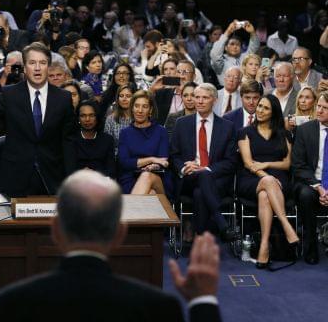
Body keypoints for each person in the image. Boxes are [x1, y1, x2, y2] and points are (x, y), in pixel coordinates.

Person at [0, 169, 222, 322]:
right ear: (120, 233)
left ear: (55, 230)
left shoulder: (5, 307)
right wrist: (203, 301)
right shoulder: (158, 308)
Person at [0, 43, 75, 197]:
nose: (37, 68)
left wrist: (72, 178)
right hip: (16, 178)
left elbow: (69, 142)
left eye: (42, 63)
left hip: (53, 178)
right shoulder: (9, 94)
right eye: (32, 63)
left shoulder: (63, 98)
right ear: (25, 67)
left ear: (48, 67)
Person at [170, 83, 238, 241]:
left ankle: (199, 241)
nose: (199, 101)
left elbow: (231, 161)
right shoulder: (182, 123)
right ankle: (222, 223)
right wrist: (183, 168)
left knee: (200, 192)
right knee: (200, 183)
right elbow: (173, 155)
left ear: (214, 100)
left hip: (216, 179)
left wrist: (207, 169)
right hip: (188, 178)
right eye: (197, 97)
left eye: (205, 98)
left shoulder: (227, 127)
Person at [237, 94, 299, 268]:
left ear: (274, 112)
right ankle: (287, 226)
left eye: (265, 108)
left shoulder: (284, 134)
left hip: (279, 178)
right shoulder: (244, 132)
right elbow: (249, 163)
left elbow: (287, 164)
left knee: (265, 195)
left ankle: (264, 246)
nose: (260, 110)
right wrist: (265, 176)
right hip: (251, 178)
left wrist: (267, 164)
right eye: (259, 106)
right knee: (268, 183)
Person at [292, 92, 328, 264]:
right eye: (319, 106)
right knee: (306, 196)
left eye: (325, 108)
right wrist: (319, 187)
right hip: (311, 182)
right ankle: (311, 247)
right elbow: (298, 165)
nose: (319, 110)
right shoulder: (305, 130)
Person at [118, 90, 172, 196]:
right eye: (136, 106)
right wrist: (151, 159)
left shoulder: (161, 131)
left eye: (145, 107)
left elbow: (163, 160)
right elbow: (124, 162)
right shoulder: (125, 133)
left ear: (150, 110)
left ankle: (128, 211)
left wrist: (154, 165)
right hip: (130, 179)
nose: (140, 110)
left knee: (146, 175)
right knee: (151, 194)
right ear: (132, 109)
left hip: (157, 178)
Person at [71, 100, 115, 177]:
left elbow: (111, 169)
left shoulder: (107, 140)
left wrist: (94, 174)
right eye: (83, 116)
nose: (87, 119)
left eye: (91, 115)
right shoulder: (71, 140)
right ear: (78, 118)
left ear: (97, 117)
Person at [210, 20, 259, 86]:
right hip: (227, 92)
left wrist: (252, 32)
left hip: (246, 91)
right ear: (225, 48)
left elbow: (254, 48)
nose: (235, 47)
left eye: (238, 45)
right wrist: (228, 31)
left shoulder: (244, 57)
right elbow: (215, 55)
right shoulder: (221, 61)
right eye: (232, 44)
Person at [151, 59, 197, 124]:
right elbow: (146, 107)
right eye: (179, 71)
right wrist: (151, 90)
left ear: (194, 76)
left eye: (185, 71)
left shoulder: (199, 95)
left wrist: (184, 91)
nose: (181, 75)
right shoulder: (162, 93)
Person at [104, 84, 133, 155]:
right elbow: (107, 146)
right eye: (121, 96)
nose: (124, 99)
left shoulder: (139, 118)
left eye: (128, 96)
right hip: (116, 158)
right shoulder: (110, 119)